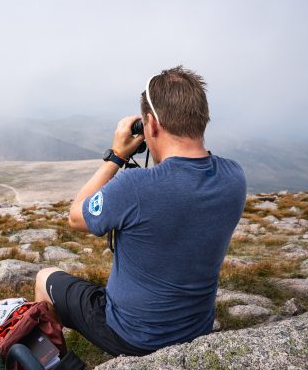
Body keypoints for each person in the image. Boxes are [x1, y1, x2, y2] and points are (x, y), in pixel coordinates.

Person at [34, 66, 246, 356]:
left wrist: (116, 156)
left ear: (152, 125)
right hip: (196, 328)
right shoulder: (234, 177)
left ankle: (51, 359)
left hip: (132, 336)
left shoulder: (135, 186)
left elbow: (76, 217)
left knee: (44, 277)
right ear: (202, 119)